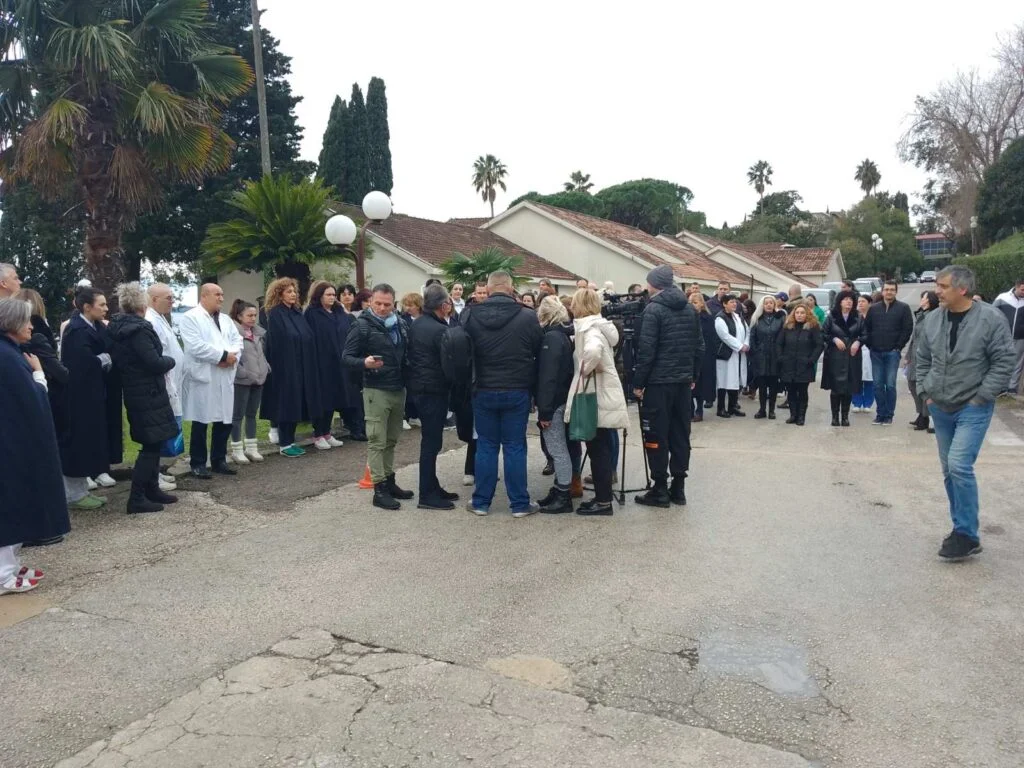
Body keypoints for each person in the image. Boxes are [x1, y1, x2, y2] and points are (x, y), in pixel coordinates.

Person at [916, 266, 1016, 561]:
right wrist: (926, 393)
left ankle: (967, 534)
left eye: (943, 286)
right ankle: (961, 529)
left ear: (962, 289)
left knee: (959, 465)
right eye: (937, 285)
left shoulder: (990, 318)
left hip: (973, 407)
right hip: (940, 406)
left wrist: (982, 396)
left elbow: (1004, 359)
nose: (937, 291)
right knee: (949, 471)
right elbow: (921, 357)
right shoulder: (933, 319)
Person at [0, 298, 70, 595]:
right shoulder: (7, 356)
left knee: (18, 501)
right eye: (26, 321)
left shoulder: (10, 352)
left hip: (14, 440)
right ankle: (3, 573)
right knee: (10, 503)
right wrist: (39, 374)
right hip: (10, 443)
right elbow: (34, 399)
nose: (31, 326)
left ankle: (11, 564)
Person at [460, 271, 544, 517]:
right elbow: (538, 350)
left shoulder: (471, 315)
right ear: (510, 288)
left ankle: (480, 502)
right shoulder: (528, 316)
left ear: (488, 288)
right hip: (516, 388)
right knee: (514, 446)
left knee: (485, 445)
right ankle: (519, 504)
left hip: (483, 389)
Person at [632, 265, 702, 507]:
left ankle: (660, 488)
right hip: (683, 383)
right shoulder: (691, 309)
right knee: (681, 434)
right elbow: (699, 346)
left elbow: (646, 351)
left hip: (659, 384)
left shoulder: (654, 310)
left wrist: (638, 383)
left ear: (656, 285)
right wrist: (693, 375)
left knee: (656, 434)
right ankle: (679, 488)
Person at [108, 283, 180, 514]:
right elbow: (153, 362)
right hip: (147, 391)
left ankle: (151, 488)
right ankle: (137, 497)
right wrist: (170, 360)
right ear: (142, 303)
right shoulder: (138, 330)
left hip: (137, 390)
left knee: (154, 441)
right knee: (151, 443)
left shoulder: (121, 328)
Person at [343, 283, 413, 510]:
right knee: (376, 440)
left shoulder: (401, 324)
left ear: (394, 304)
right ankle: (379, 488)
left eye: (387, 304)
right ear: (371, 302)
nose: (382, 308)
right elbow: (346, 358)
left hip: (398, 387)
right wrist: (364, 363)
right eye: (378, 303)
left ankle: (390, 480)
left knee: (392, 439)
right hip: (376, 389)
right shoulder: (361, 326)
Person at [563, 289, 629, 515]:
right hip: (601, 393)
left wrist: (582, 370)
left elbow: (593, 352)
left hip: (595, 395)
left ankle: (603, 503)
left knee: (597, 450)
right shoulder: (598, 326)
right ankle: (603, 499)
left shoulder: (589, 328)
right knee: (600, 448)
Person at [59, 286, 121, 509]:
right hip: (80, 397)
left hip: (96, 394)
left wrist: (104, 357)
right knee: (79, 442)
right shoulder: (76, 330)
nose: (106, 308)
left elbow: (111, 350)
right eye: (101, 304)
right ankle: (75, 494)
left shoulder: (95, 327)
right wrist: (104, 358)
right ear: (87, 307)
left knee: (90, 441)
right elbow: (83, 363)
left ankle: (82, 490)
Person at [179, 283, 242, 478]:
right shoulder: (190, 318)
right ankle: (197, 463)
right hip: (204, 376)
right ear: (204, 296)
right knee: (201, 421)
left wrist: (232, 357)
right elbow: (195, 346)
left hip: (224, 375)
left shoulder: (225, 320)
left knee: (224, 420)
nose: (222, 298)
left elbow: (237, 341)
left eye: (222, 294)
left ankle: (219, 460)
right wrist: (222, 356)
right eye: (217, 295)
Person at [407, 284, 460, 510]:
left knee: (431, 441)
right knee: (431, 443)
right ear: (443, 305)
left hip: (419, 388)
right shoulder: (439, 330)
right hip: (433, 390)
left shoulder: (418, 324)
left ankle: (432, 485)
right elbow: (448, 365)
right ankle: (427, 494)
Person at [259, 278, 322, 457]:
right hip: (285, 368)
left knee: (296, 403)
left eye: (294, 291)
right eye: (288, 291)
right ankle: (284, 443)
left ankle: (291, 439)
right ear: (279, 294)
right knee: (286, 404)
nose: (293, 294)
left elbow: (306, 336)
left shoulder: (296, 313)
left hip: (302, 367)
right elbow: (279, 343)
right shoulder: (276, 314)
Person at [534, 295, 576, 514]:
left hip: (554, 402)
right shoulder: (563, 335)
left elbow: (548, 377)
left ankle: (563, 494)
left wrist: (545, 410)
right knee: (561, 448)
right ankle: (560, 488)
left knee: (558, 450)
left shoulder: (551, 338)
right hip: (562, 398)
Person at [146, 284, 183, 489]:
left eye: (172, 297)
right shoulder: (151, 320)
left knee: (165, 429)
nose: (172, 301)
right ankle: (154, 476)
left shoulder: (161, 318)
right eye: (167, 298)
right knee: (159, 431)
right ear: (153, 299)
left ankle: (158, 471)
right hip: (163, 384)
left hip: (172, 382)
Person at [304, 281, 350, 450]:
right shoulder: (312, 313)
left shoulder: (339, 312)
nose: (332, 298)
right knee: (321, 399)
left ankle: (327, 432)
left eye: (333, 295)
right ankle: (318, 434)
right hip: (320, 362)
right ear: (319, 296)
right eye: (328, 295)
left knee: (333, 398)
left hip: (338, 361)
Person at [864, 280, 914, 426]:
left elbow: (907, 329)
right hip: (876, 352)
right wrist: (870, 344)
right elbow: (867, 328)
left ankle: (889, 415)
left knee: (890, 385)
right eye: (886, 289)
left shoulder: (903, 308)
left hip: (892, 353)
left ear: (896, 291)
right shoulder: (874, 309)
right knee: (878, 385)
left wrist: (898, 346)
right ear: (883, 291)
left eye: (892, 289)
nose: (889, 292)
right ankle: (880, 414)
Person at [229, 300, 269, 463]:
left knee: (252, 414)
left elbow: (261, 354)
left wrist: (266, 367)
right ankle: (237, 449)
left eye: (255, 315)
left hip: (258, 378)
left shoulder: (259, 333)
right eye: (249, 315)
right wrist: (242, 372)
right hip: (241, 380)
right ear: (239, 316)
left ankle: (252, 447)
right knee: (237, 415)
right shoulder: (233, 333)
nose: (253, 318)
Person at [821, 290, 865, 427]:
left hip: (852, 356)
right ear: (840, 301)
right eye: (846, 299)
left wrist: (858, 342)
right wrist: (834, 339)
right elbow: (823, 333)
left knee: (848, 387)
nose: (849, 302)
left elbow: (865, 334)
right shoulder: (831, 317)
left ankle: (845, 417)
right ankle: (835, 417)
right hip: (835, 356)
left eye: (851, 299)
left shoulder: (858, 317)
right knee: (836, 387)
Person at [777, 303, 823, 426]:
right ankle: (793, 415)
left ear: (807, 314)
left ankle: (801, 416)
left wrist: (811, 360)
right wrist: (781, 358)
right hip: (789, 364)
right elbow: (779, 343)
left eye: (802, 313)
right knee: (791, 391)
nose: (799, 315)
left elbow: (819, 345)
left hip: (804, 365)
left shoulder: (813, 327)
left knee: (802, 391)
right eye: (797, 313)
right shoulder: (788, 327)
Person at [905, 291, 939, 431]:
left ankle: (928, 418)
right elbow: (914, 338)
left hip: (926, 358)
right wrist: (908, 356)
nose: (921, 300)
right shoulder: (920, 315)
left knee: (924, 387)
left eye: (923, 297)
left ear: (929, 300)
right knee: (912, 384)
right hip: (915, 356)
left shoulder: (933, 316)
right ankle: (921, 414)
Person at [748, 295, 786, 420]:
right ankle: (762, 409)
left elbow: (783, 337)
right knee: (762, 385)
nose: (769, 305)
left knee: (773, 385)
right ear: (762, 305)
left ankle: (772, 410)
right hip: (761, 357)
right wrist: (755, 352)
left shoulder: (780, 319)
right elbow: (752, 338)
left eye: (771, 303)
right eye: (766, 303)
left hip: (775, 356)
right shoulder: (757, 319)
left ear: (774, 304)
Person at [713, 295, 749, 417]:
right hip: (725, 354)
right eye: (731, 302)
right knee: (723, 381)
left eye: (735, 302)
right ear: (724, 304)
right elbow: (725, 336)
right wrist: (739, 346)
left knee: (735, 380)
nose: (734, 304)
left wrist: (746, 344)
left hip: (738, 354)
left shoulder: (738, 317)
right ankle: (721, 408)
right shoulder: (720, 318)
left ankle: (733, 406)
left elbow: (747, 331)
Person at [688, 291, 717, 422]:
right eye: (690, 303)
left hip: (703, 356)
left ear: (701, 303)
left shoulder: (708, 318)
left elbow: (711, 339)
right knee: (688, 385)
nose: (692, 305)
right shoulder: (686, 317)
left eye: (695, 302)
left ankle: (699, 410)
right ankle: (689, 410)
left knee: (699, 386)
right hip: (689, 355)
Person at [993, 278, 1024, 394]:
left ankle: (1012, 388)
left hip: (1020, 337)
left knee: (1017, 362)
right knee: (1001, 361)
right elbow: (992, 313)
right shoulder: (1003, 298)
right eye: (1022, 290)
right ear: (1016, 286)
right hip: (1002, 336)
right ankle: (1001, 387)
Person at [851, 295, 876, 414]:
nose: (860, 303)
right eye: (859, 301)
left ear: (869, 303)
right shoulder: (854, 318)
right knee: (856, 376)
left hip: (871, 349)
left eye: (863, 301)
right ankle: (856, 402)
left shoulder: (874, 317)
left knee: (869, 377)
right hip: (857, 349)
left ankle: (868, 403)